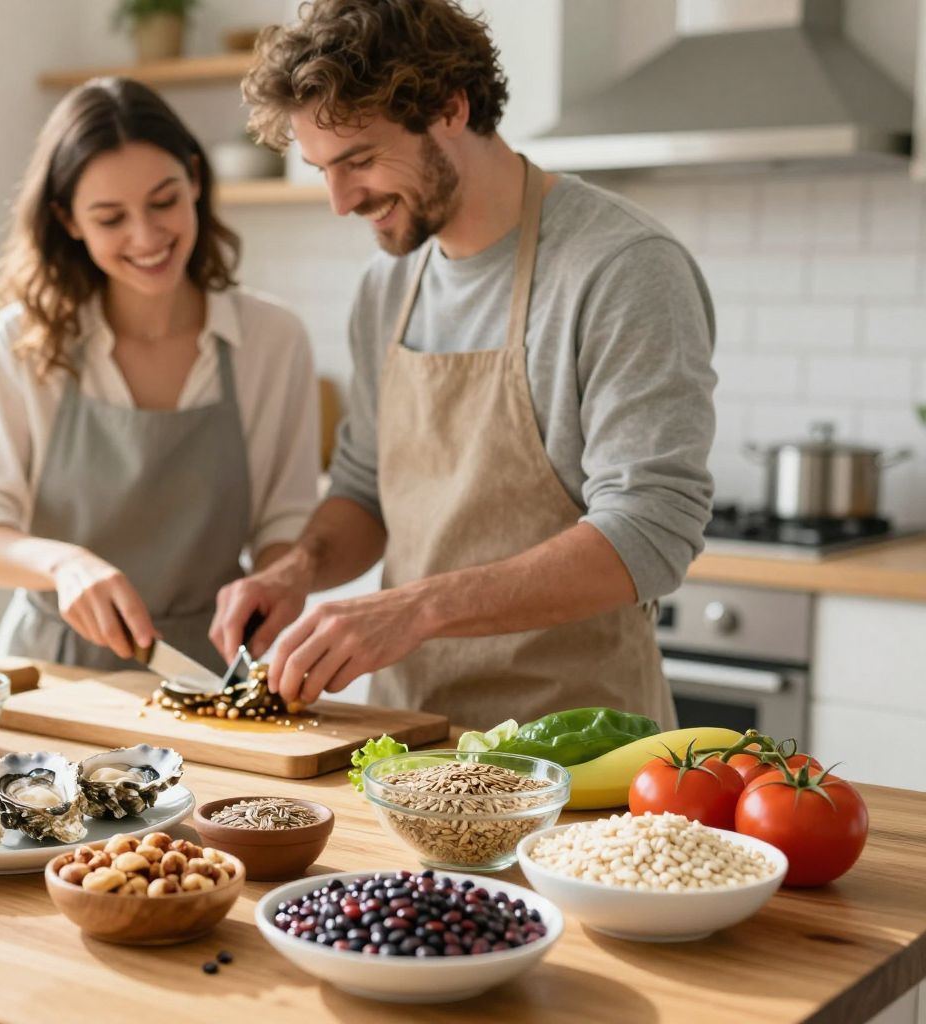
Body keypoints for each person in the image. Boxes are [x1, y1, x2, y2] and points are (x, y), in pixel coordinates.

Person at [210, 0, 716, 727]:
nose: (340, 201)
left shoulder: (622, 267)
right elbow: (364, 488)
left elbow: (650, 533)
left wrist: (417, 608)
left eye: (359, 160)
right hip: (409, 741)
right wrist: (298, 570)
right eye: (322, 170)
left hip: (579, 744)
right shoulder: (387, 286)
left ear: (451, 107)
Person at [0, 77, 320, 673]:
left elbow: (286, 522)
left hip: (208, 670)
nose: (146, 236)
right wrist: (64, 565)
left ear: (195, 180)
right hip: (54, 671)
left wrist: (274, 585)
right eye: (111, 217)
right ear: (68, 220)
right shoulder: (25, 341)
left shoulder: (273, 341)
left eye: (163, 202)